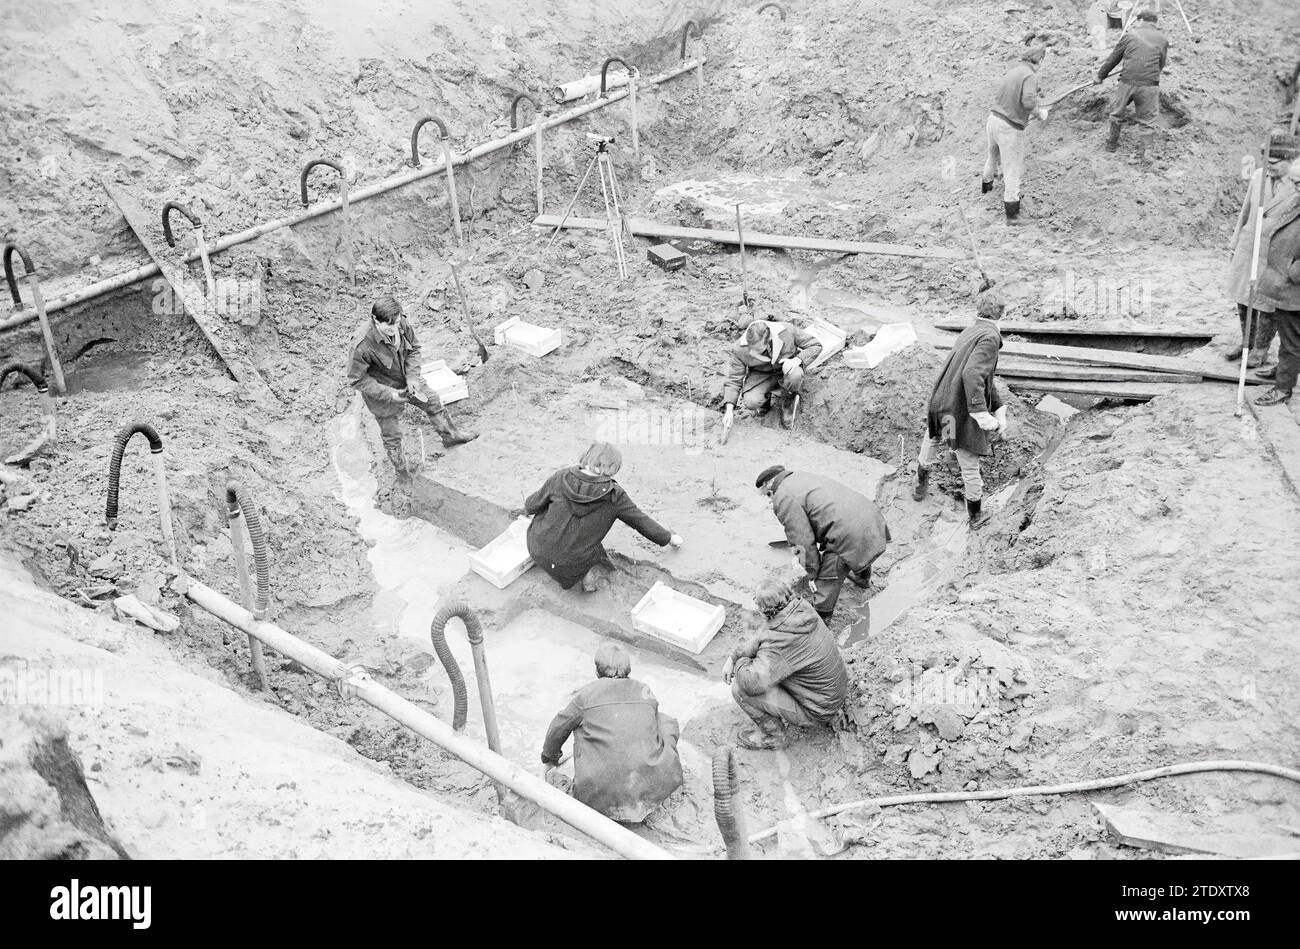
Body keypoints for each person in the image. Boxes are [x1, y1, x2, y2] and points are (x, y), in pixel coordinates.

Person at [540, 642, 684, 822]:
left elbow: (558, 728)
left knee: (579, 724)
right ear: (628, 669)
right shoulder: (645, 691)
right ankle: (654, 775)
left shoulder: (585, 696)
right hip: (653, 792)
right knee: (664, 721)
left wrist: (549, 757)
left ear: (597, 671)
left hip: (598, 799)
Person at [524, 442, 683, 592]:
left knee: (550, 516)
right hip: (569, 564)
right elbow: (641, 521)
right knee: (595, 553)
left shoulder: (561, 477)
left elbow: (532, 504)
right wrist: (668, 538)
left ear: (587, 458)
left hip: (536, 547)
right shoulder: (614, 495)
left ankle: (551, 560)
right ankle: (588, 579)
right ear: (612, 468)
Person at [346, 296, 477, 476]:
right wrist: (390, 394)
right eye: (389, 326)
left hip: (407, 378)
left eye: (396, 323)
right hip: (382, 390)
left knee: (432, 401)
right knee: (391, 435)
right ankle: (402, 473)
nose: (394, 329)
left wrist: (413, 377)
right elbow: (357, 379)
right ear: (376, 320)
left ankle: (451, 435)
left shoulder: (401, 323)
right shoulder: (361, 344)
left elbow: (414, 348)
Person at [913, 288, 1008, 526]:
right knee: (968, 461)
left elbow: (984, 378)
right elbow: (973, 373)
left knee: (937, 440)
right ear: (1001, 315)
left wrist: (998, 405)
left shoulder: (970, 330)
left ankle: (919, 487)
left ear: (978, 311)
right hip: (957, 409)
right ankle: (976, 516)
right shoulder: (990, 338)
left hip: (942, 403)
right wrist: (981, 415)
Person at [722, 575, 848, 750]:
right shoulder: (800, 609)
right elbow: (763, 634)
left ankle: (774, 737)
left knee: (740, 689)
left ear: (764, 610)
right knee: (761, 665)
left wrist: (741, 661)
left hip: (818, 710)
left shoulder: (779, 641)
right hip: (832, 694)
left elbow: (751, 683)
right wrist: (733, 657)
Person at [754, 465, 890, 621]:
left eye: (769, 495)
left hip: (848, 534)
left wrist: (811, 573)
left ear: (768, 485)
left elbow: (802, 540)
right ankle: (862, 578)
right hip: (870, 516)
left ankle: (821, 619)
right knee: (858, 546)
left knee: (827, 579)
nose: (770, 501)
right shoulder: (801, 476)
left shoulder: (782, 497)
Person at [1226, 135, 1300, 372]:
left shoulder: (1297, 183)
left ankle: (1260, 350)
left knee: (1267, 303)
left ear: (1291, 160)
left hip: (1276, 251)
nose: (1269, 167)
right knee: (1243, 297)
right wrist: (1235, 241)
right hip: (1250, 245)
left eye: (1275, 163)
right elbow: (1245, 210)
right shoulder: (1259, 176)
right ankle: (1246, 342)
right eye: (1267, 162)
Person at [981, 44, 1051, 224]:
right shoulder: (1030, 75)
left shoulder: (1014, 71)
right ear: (1039, 60)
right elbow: (1028, 102)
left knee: (992, 156)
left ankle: (986, 187)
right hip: (1008, 127)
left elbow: (1016, 93)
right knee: (1012, 168)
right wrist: (1039, 113)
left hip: (993, 119)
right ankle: (1012, 213)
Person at [1252, 157, 1300, 406]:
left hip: (1294, 288)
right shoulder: (1296, 200)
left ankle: (1283, 388)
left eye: (1299, 183)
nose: (1295, 187)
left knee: (1292, 340)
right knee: (1286, 333)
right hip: (1283, 283)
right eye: (1294, 182)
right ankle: (1285, 370)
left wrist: (1293, 271)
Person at [721, 318, 823, 429]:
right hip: (761, 374)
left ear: (769, 339)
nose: (753, 353)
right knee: (751, 401)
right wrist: (729, 410)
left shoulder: (787, 330)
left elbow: (815, 345)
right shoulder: (739, 349)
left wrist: (797, 360)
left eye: (758, 349)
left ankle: (789, 397)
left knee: (796, 375)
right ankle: (765, 402)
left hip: (786, 369)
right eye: (751, 348)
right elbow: (733, 379)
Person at [1095, 10, 1169, 164]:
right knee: (1148, 121)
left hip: (1127, 82)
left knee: (1117, 114)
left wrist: (1100, 76)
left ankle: (1111, 145)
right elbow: (1161, 63)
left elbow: (1113, 58)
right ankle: (1145, 154)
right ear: (1155, 23)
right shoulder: (1162, 39)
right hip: (1150, 85)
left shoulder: (1130, 35)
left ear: (1140, 20)